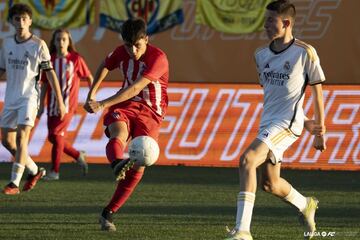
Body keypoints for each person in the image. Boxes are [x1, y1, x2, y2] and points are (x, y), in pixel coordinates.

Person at [225, 1, 326, 239]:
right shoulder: (261, 55)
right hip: (269, 122)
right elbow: (278, 95)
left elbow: (316, 91)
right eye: (266, 20)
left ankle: (242, 230)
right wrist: (306, 120)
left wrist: (319, 131)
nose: (266, 25)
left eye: (271, 20)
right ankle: (305, 204)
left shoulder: (304, 52)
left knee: (247, 160)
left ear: (287, 23)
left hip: (287, 125)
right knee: (270, 184)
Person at [83, 18, 169, 231]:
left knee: (141, 161)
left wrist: (101, 103)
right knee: (117, 134)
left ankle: (108, 212)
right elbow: (105, 64)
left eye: (137, 45)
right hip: (126, 105)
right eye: (128, 45)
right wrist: (91, 94)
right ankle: (116, 164)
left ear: (146, 40)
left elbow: (134, 88)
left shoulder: (158, 58)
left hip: (151, 112)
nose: (132, 50)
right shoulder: (122, 51)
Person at [0, 3, 66, 195]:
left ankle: (14, 183)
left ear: (30, 21)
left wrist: (60, 100)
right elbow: (2, 69)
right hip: (11, 98)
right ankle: (35, 170)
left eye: (24, 19)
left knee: (22, 138)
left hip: (29, 98)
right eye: (16, 19)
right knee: (7, 142)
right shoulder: (7, 44)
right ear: (12, 22)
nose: (20, 22)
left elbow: (50, 72)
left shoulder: (39, 44)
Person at [38, 29, 93, 180]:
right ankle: (77, 155)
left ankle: (54, 172)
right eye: (58, 40)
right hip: (52, 106)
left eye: (64, 39)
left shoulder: (75, 59)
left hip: (68, 106)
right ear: (54, 42)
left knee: (56, 135)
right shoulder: (50, 60)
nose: (61, 42)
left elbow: (89, 77)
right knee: (54, 138)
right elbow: (44, 83)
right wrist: (41, 104)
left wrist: (91, 96)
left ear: (69, 42)